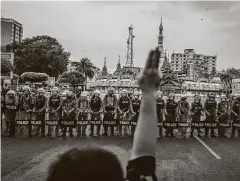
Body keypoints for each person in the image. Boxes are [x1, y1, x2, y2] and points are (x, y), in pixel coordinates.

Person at [47, 47, 160, 181]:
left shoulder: (110, 97)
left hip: (110, 111)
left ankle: (96, 131)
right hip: (101, 112)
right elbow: (140, 170)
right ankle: (85, 132)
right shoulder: (102, 97)